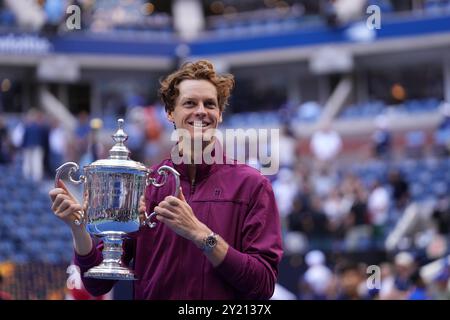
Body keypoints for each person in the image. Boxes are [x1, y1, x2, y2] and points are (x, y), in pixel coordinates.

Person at [49, 60, 283, 300]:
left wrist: (201, 235)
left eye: (210, 104)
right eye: (190, 103)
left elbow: (263, 284)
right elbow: (97, 285)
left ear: (220, 114)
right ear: (170, 113)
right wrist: (78, 228)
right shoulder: (146, 184)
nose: (201, 111)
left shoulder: (253, 185)